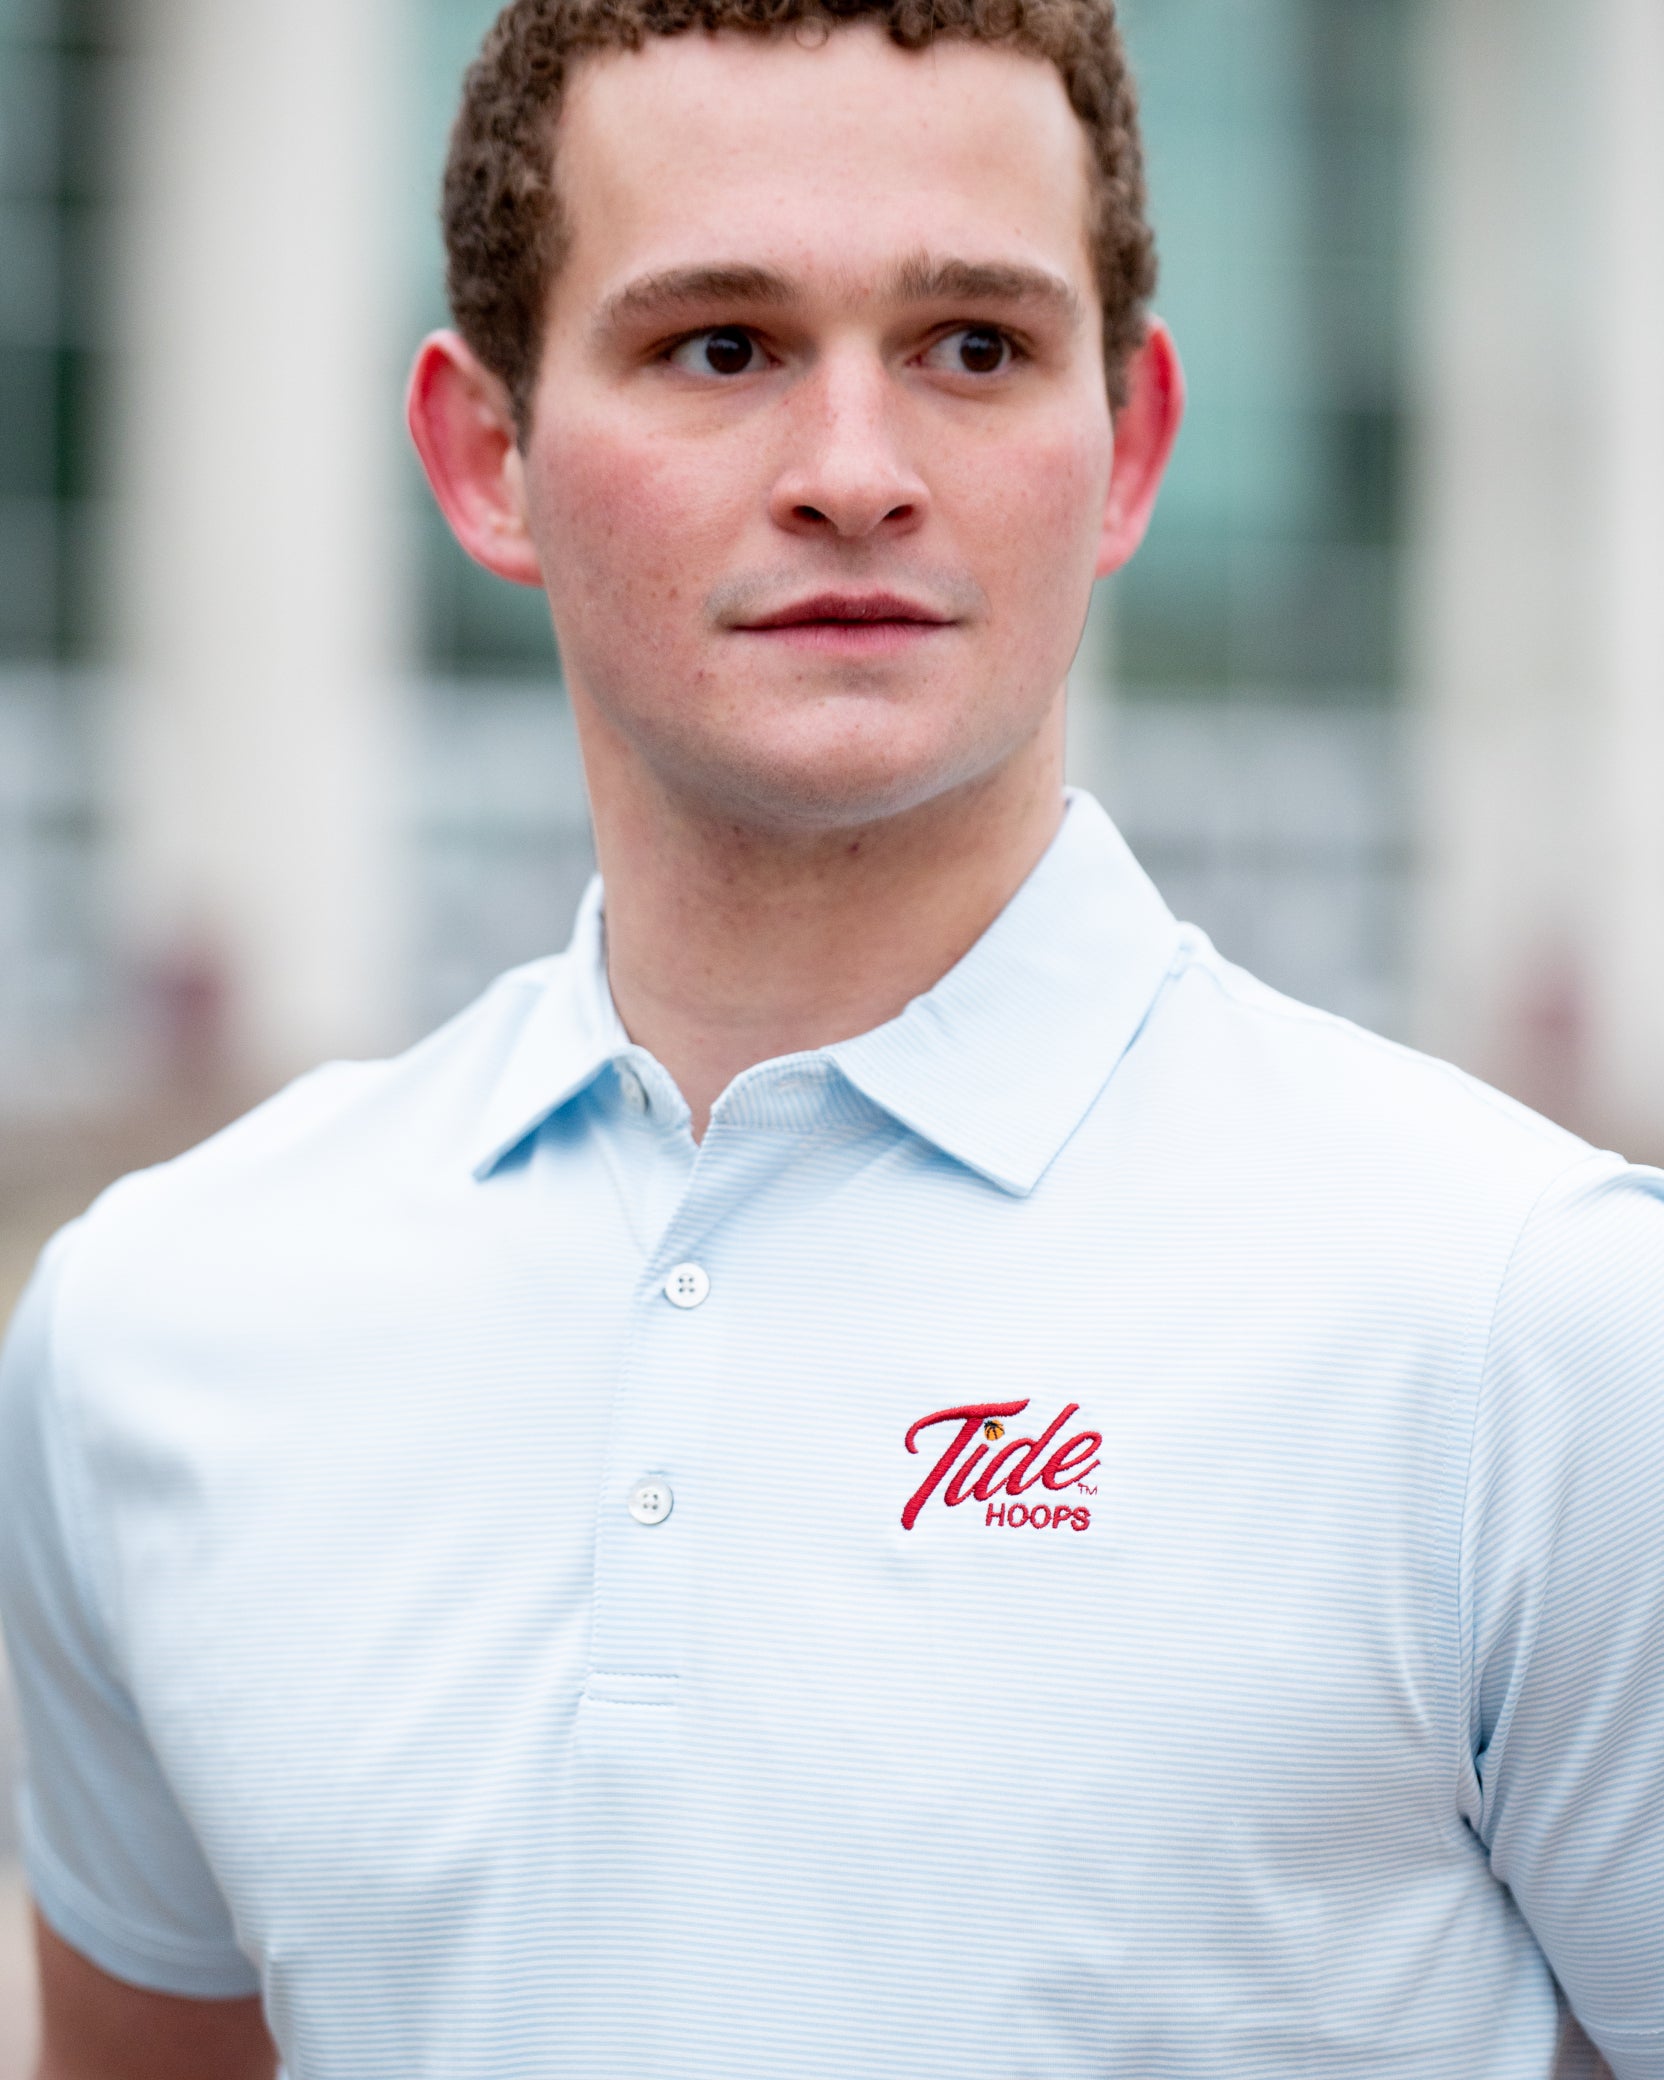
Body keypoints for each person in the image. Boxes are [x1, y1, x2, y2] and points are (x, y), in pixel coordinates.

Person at [2, 0, 1660, 2072]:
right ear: (484, 455)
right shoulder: (159, 1324)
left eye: (973, 346)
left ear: (1130, 444)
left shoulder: (1535, 1320)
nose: (855, 475)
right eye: (721, 346)